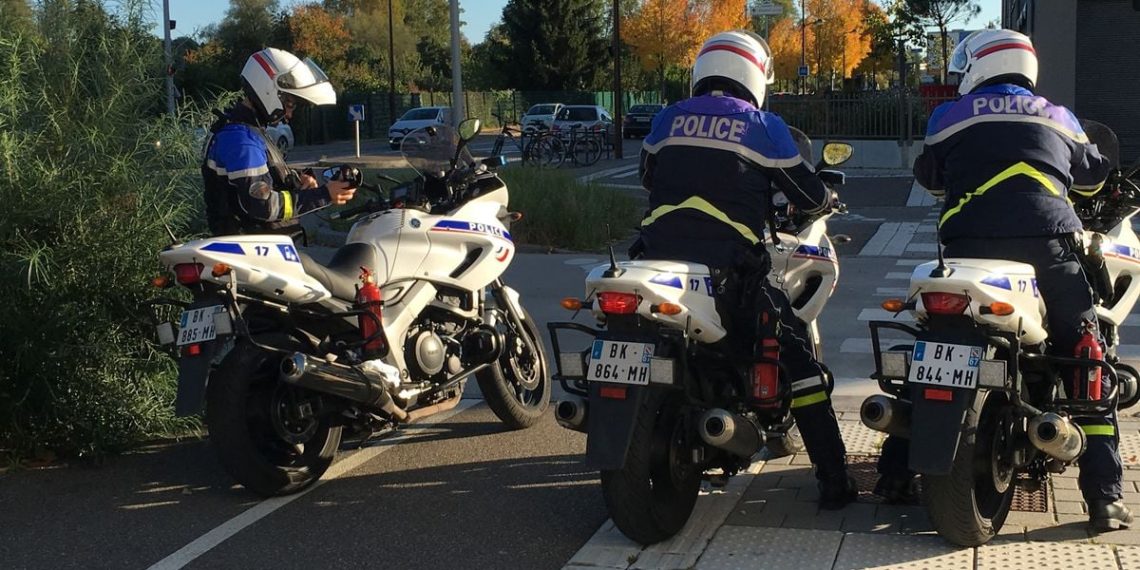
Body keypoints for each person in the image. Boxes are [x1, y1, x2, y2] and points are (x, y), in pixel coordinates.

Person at [878, 28, 1132, 531]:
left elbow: (929, 176)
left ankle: (892, 473)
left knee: (929, 349)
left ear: (979, 66)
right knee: (1086, 354)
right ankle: (1104, 497)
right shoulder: (1059, 116)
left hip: (965, 252)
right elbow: (1094, 178)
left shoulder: (948, 115)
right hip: (1047, 248)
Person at [637, 30, 855, 509]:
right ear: (756, 75)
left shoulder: (667, 118)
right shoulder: (762, 125)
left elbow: (648, 176)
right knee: (798, 361)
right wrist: (825, 197)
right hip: (728, 269)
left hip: (652, 258)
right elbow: (808, 196)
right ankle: (835, 483)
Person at [202, 48, 356, 237]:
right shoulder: (241, 141)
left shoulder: (247, 132)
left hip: (258, 249)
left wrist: (297, 181)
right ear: (269, 90)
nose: (289, 114)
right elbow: (263, 204)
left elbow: (260, 182)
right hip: (253, 254)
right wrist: (323, 195)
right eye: (289, 104)